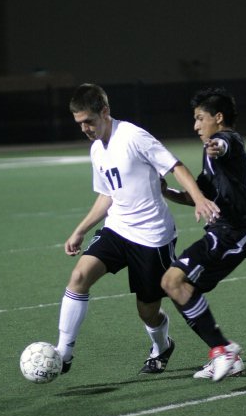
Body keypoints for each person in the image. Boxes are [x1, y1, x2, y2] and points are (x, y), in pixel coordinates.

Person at [55, 83, 220, 376]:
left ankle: (162, 346)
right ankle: (63, 353)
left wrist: (198, 199)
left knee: (147, 310)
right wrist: (80, 230)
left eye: (89, 121)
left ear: (104, 112)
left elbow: (175, 166)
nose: (85, 129)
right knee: (79, 275)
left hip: (152, 237)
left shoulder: (133, 136)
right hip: (117, 229)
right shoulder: (96, 150)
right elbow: (108, 194)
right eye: (79, 124)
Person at [160, 86, 246, 381]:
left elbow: (224, 145)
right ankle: (227, 355)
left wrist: (217, 147)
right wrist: (169, 192)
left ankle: (221, 349)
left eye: (200, 118)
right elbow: (198, 194)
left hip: (230, 234)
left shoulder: (227, 141)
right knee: (182, 289)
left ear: (219, 117)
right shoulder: (209, 151)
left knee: (172, 281)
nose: (196, 125)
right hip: (222, 232)